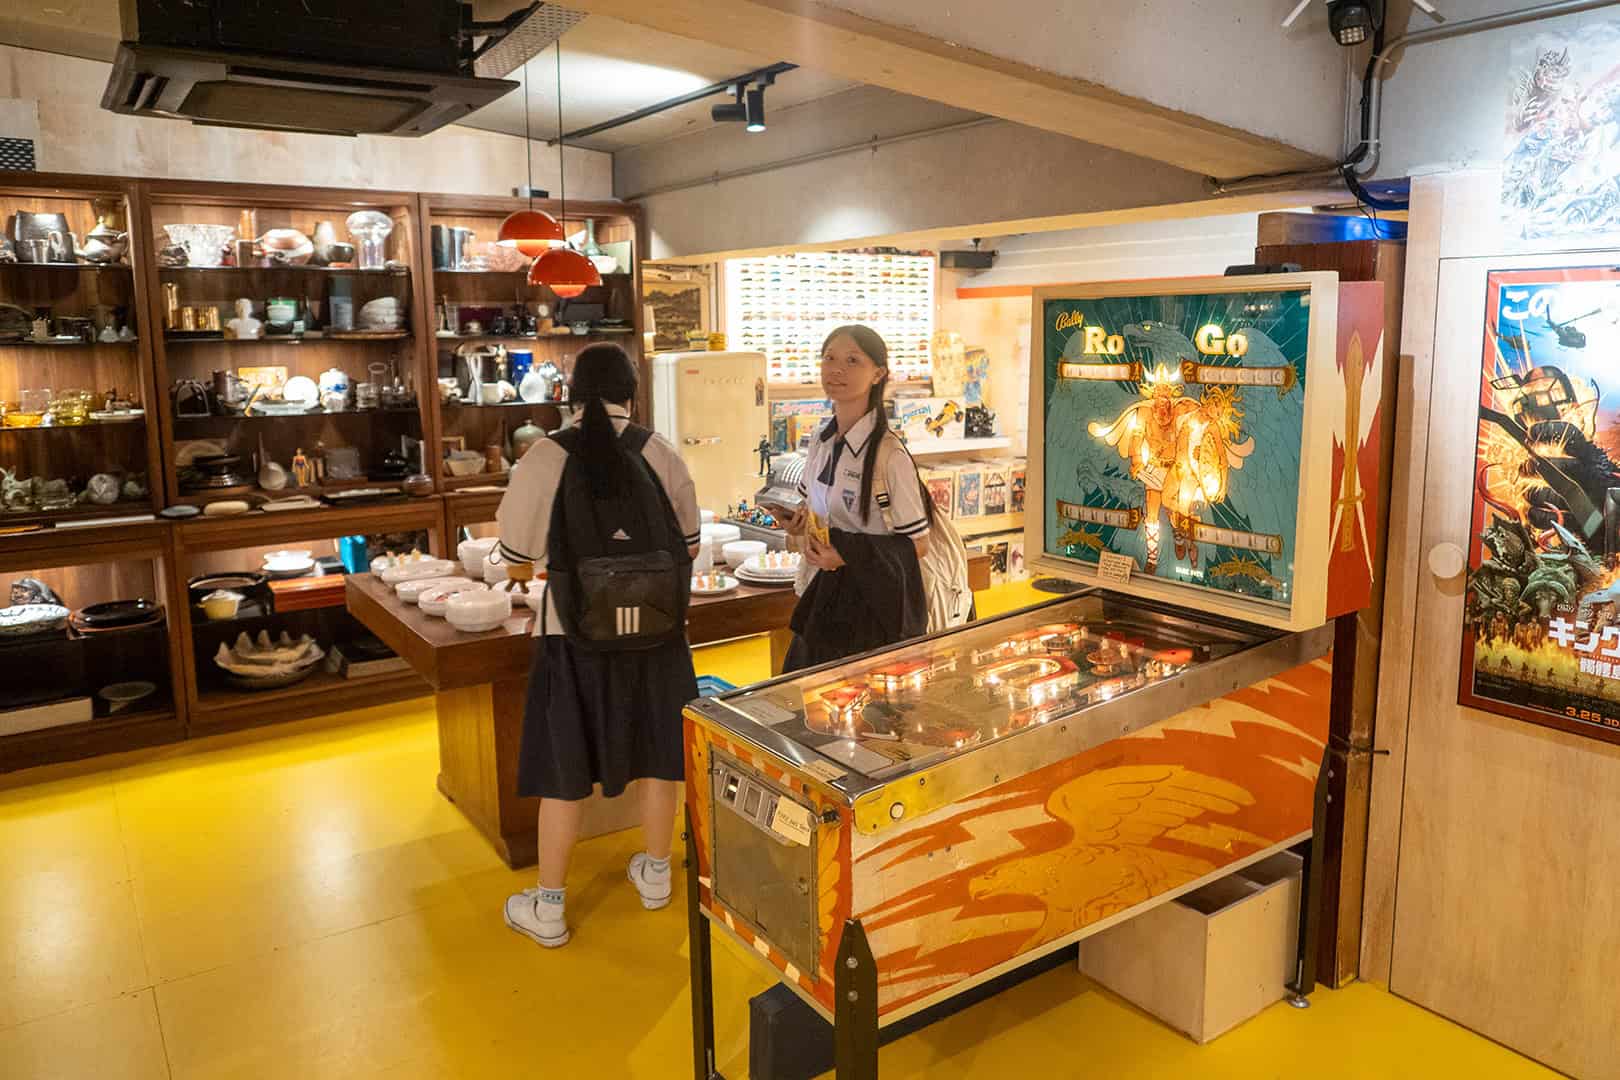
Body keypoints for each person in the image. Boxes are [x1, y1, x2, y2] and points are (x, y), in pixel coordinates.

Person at [494, 343, 702, 948]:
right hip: (658, 634)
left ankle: (550, 906)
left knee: (565, 766)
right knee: (659, 754)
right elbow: (689, 544)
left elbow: (516, 557)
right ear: (631, 393)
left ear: (573, 395)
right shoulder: (659, 451)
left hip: (573, 639)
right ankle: (656, 876)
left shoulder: (545, 456)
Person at [774, 324, 935, 671]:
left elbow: (919, 544)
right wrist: (797, 525)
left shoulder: (889, 455)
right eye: (829, 358)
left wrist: (846, 555)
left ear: (878, 374)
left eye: (852, 361)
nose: (836, 370)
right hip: (823, 599)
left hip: (872, 611)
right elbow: (815, 511)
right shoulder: (820, 439)